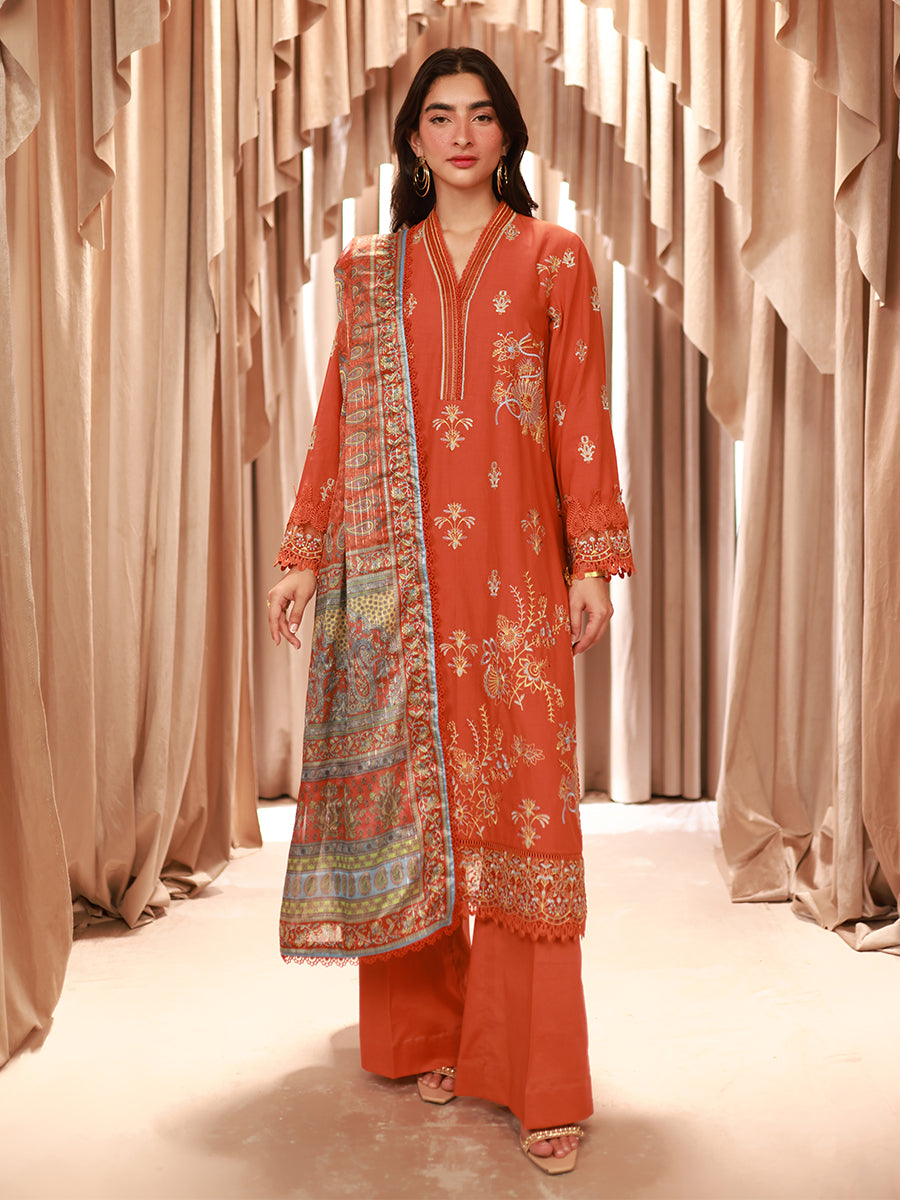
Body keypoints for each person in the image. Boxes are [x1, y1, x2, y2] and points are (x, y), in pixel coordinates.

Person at [267, 46, 634, 1176]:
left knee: (526, 816)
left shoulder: (556, 258)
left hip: (517, 583)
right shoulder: (373, 272)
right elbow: (338, 419)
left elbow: (579, 415)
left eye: (481, 115)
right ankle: (428, 1032)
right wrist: (305, 551)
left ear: (508, 132)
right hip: (400, 584)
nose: (462, 134)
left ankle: (536, 1075)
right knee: (415, 803)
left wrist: (592, 563)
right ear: (415, 140)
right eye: (440, 116)